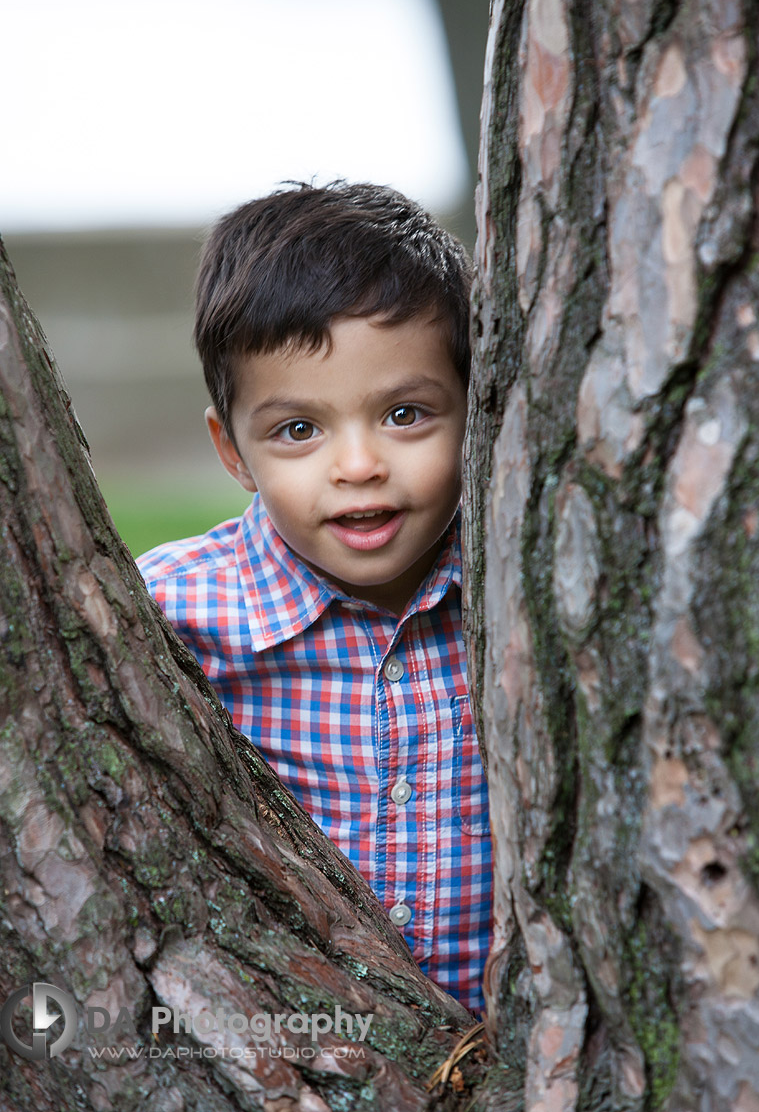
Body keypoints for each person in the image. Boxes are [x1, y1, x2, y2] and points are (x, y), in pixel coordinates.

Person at [137, 181, 492, 1014]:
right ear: (231, 449)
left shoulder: (523, 594)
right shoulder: (172, 618)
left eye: (405, 414)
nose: (358, 465)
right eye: (299, 430)